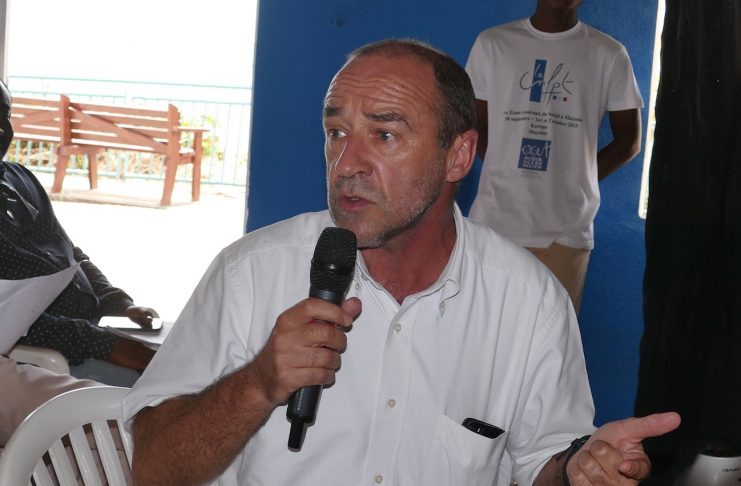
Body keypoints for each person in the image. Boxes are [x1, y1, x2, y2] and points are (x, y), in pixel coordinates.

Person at [123, 39, 677, 485]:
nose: (346, 163)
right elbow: (151, 469)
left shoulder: (528, 301)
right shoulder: (249, 274)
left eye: (384, 134)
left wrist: (579, 470)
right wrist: (257, 384)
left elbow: (541, 465)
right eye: (336, 132)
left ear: (458, 156)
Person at [465, 0, 643, 312]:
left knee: (553, 338)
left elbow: (630, 142)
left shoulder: (609, 54)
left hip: (566, 235)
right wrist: (504, 167)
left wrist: (576, 180)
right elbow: (475, 125)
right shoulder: (493, 44)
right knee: (482, 331)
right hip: (494, 225)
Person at [0, 79, 158, 386]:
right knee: (172, 392)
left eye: (6, 115)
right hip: (53, 357)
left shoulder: (19, 178)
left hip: (93, 331)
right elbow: (11, 322)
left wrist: (119, 304)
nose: (2, 128)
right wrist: (109, 346)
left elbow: (72, 255)